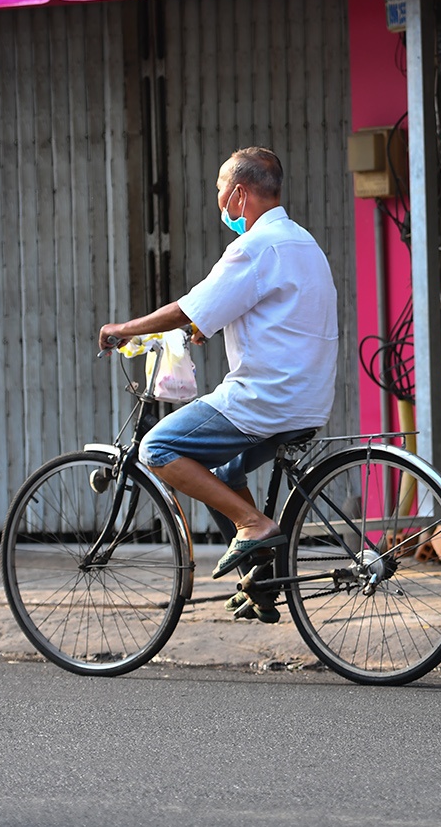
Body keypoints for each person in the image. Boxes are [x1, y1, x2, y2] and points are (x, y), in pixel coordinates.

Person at [99, 146, 339, 611]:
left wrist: (121, 329)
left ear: (239, 194)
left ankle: (254, 525)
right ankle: (261, 580)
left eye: (219, 191)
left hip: (265, 398)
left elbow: (191, 306)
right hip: (307, 398)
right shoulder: (301, 242)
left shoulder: (253, 247)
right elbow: (244, 311)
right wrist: (197, 327)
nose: (219, 201)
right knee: (224, 472)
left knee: (158, 448)